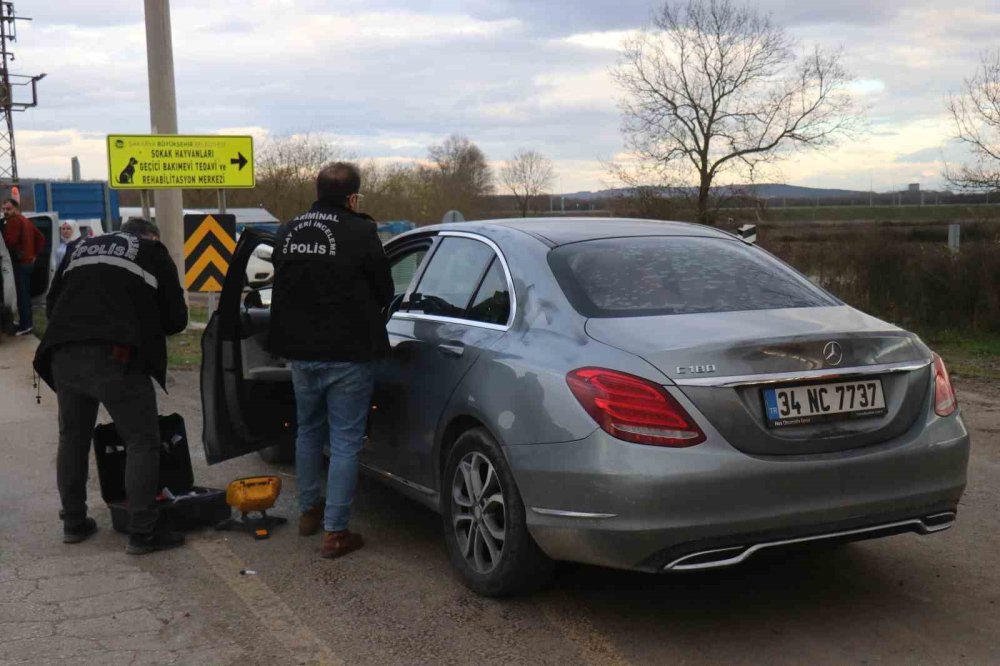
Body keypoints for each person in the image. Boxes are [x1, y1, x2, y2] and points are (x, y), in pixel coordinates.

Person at [33, 218, 188, 553]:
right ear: (150, 236)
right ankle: (143, 531)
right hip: (116, 356)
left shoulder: (78, 248)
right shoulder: (152, 251)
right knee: (142, 441)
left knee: (72, 438)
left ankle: (74, 522)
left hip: (63, 352)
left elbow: (52, 302)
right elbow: (176, 319)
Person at [269, 162, 393, 559]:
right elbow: (385, 289)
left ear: (316, 190)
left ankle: (308, 512)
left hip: (300, 353)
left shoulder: (288, 231)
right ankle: (335, 532)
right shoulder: (361, 230)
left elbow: (283, 282)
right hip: (348, 354)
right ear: (353, 197)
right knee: (344, 441)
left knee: (307, 431)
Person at [2, 198, 45, 335]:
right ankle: (25, 322)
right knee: (24, 294)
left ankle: (25, 325)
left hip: (19, 264)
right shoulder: (25, 220)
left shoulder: (13, 221)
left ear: (15, 208)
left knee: (22, 296)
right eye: (3, 209)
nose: (5, 212)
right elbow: (41, 238)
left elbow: (10, 241)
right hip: (28, 263)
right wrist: (34, 254)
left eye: (8, 209)